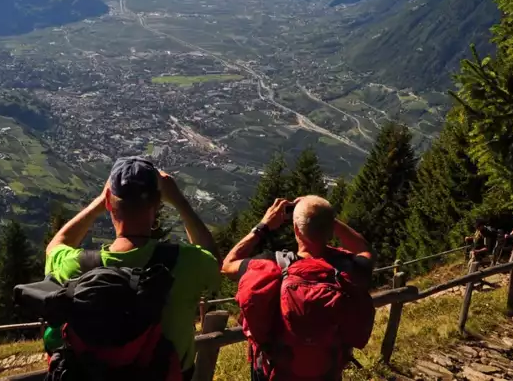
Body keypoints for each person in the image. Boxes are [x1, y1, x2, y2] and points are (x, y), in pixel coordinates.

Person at [44, 157, 220, 381]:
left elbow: (55, 246)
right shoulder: (186, 262)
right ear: (157, 203)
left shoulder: (76, 266)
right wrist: (178, 200)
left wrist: (99, 202)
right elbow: (213, 259)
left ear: (109, 202)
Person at [222, 196, 375, 381]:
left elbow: (227, 265)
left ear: (296, 229)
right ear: (330, 230)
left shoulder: (272, 265)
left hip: (275, 373)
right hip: (326, 373)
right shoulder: (349, 269)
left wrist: (263, 226)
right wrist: (327, 219)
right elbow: (364, 249)